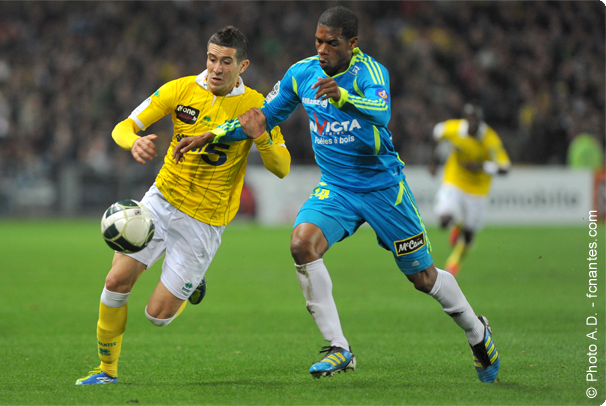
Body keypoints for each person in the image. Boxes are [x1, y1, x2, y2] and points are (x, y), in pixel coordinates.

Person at [173, 7, 500, 383]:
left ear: (352, 43)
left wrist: (342, 96)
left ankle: (477, 332)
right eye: (318, 41)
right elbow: (262, 117)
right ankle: (339, 347)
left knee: (423, 278)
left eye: (331, 43)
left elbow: (381, 112)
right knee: (302, 244)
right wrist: (211, 135)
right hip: (337, 188)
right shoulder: (302, 73)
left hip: (382, 188)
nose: (322, 49)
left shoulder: (370, 72)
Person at [75, 26, 291, 385]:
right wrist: (133, 142)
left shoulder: (256, 106)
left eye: (226, 62)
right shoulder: (180, 89)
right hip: (161, 200)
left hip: (205, 220)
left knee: (157, 316)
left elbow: (282, 168)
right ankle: (106, 372)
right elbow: (123, 126)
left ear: (243, 66)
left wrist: (262, 136)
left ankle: (194, 284)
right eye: (211, 59)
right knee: (115, 281)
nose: (216, 68)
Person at [429, 104, 511, 276]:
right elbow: (436, 133)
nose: (471, 122)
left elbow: (505, 167)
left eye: (474, 119)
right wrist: (434, 161)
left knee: (468, 236)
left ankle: (455, 258)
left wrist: (481, 167)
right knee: (444, 220)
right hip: (454, 180)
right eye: (468, 119)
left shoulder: (489, 139)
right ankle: (456, 229)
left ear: (480, 121)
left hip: (478, 190)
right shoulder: (455, 129)